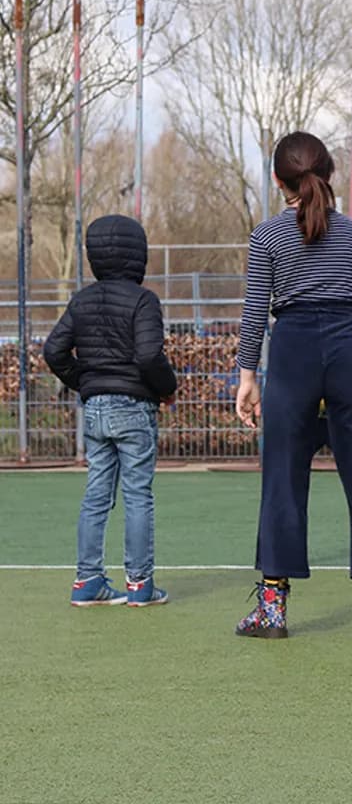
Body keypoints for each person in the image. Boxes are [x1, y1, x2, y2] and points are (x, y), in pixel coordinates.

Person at [234, 131, 352, 641]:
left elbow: (254, 314)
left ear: (277, 180)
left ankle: (272, 608)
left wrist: (247, 376)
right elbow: (350, 295)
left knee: (283, 478)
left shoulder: (266, 236)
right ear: (328, 173)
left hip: (292, 348)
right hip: (348, 343)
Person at [44, 214, 177, 608]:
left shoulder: (81, 299)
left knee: (96, 494)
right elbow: (150, 355)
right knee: (137, 494)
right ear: (139, 255)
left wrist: (84, 381)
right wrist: (167, 389)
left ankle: (87, 581)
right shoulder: (143, 300)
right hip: (134, 408)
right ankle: (140, 585)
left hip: (95, 409)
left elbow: (54, 350)